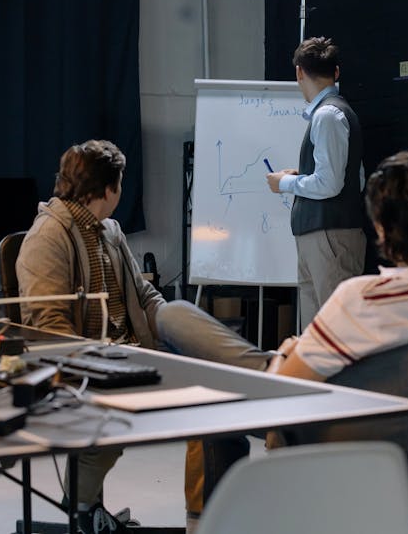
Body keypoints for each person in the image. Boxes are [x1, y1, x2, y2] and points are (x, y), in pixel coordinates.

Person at [193, 149, 408, 525]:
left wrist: (288, 352)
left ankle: (207, 523)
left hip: (347, 448)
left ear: (382, 228)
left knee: (193, 347)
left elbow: (283, 392)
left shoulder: (363, 298)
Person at [16, 140, 273, 534]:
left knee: (213, 387)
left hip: (135, 354)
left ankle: (211, 522)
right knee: (199, 379)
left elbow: (146, 298)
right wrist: (106, 364)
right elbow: (50, 331)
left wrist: (177, 326)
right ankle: (272, 371)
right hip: (92, 366)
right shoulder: (47, 239)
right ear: (110, 189)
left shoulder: (109, 231)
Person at [266, 37, 366, 327]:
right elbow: (352, 178)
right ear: (336, 72)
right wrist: (301, 176)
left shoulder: (327, 115)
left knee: (334, 328)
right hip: (325, 234)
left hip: (328, 233)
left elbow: (330, 183)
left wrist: (284, 184)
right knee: (321, 327)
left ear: (299, 72)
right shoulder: (333, 113)